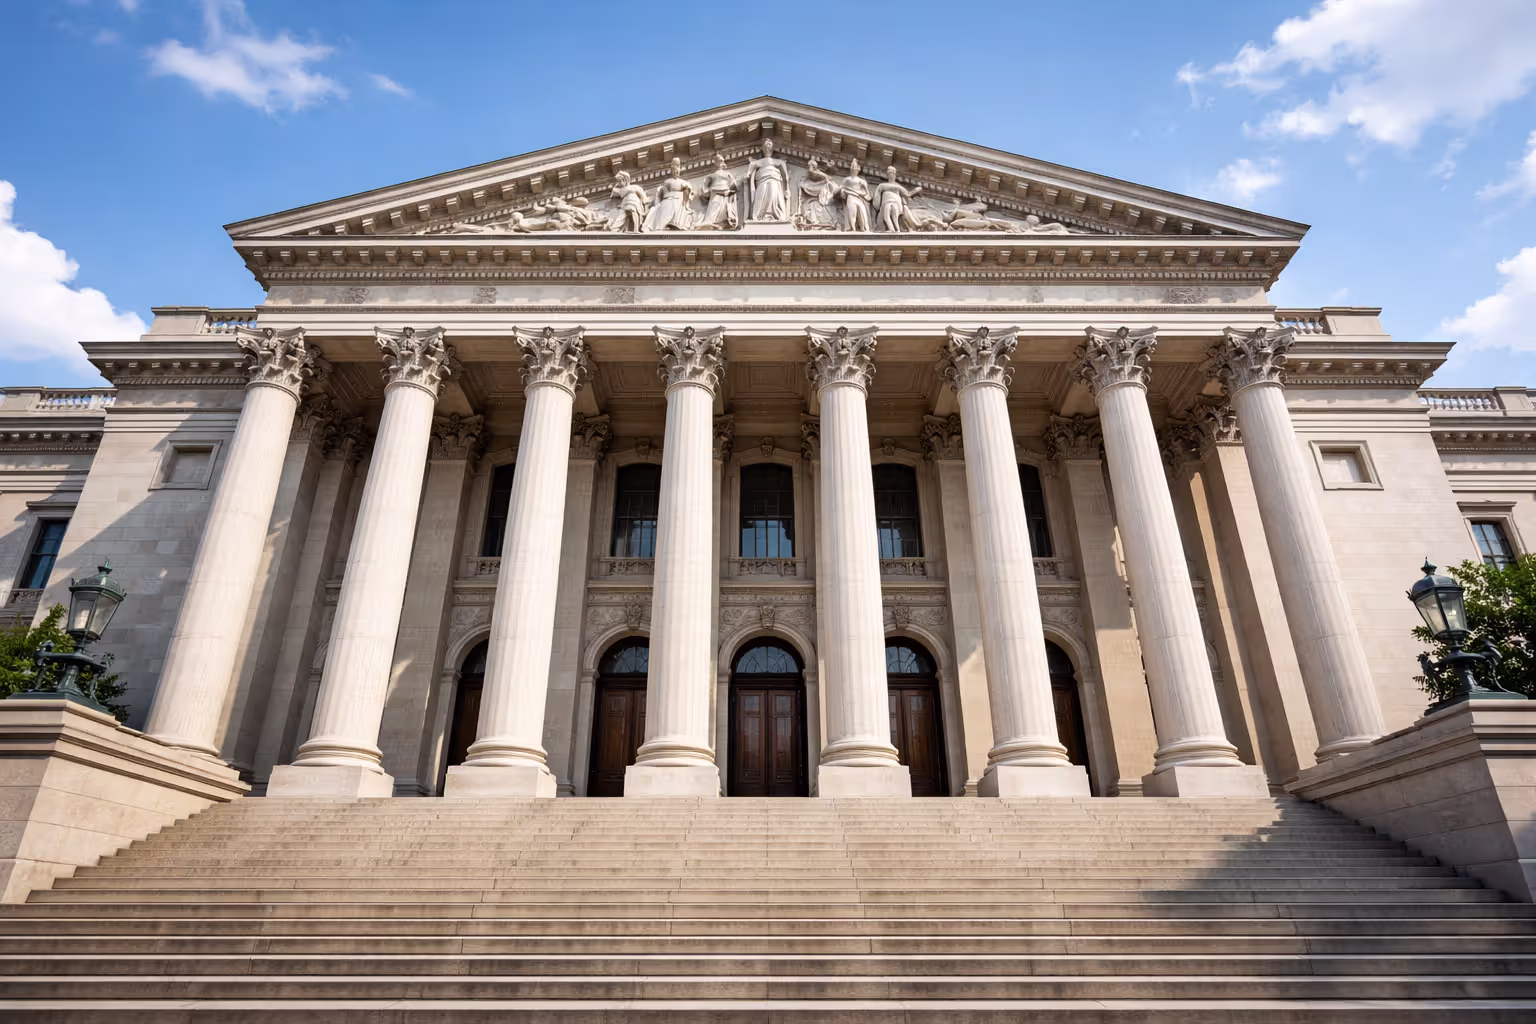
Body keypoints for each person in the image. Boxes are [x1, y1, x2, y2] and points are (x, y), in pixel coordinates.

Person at [644, 158, 695, 231]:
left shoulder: (684, 182)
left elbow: (690, 194)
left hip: (678, 202)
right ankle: (663, 226)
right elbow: (661, 193)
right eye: (674, 169)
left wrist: (688, 188)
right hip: (668, 201)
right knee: (665, 213)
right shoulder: (667, 182)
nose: (676, 172)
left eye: (678, 169)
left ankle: (674, 224)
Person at [747, 139, 789, 221]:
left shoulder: (780, 162)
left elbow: (786, 177)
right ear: (762, 148)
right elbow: (749, 173)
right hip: (761, 180)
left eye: (770, 144)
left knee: (772, 192)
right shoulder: (755, 163)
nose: (768, 145)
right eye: (766, 144)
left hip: (774, 179)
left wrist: (787, 189)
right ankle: (760, 215)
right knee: (761, 195)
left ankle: (771, 214)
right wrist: (748, 175)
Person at [698, 154, 739, 230]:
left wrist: (733, 189)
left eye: (721, 161)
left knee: (725, 208)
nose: (720, 163)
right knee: (714, 206)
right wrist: (708, 191)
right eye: (718, 161)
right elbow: (704, 188)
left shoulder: (727, 173)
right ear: (715, 163)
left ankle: (724, 222)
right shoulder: (711, 175)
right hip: (715, 192)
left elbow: (733, 184)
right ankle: (711, 222)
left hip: (725, 192)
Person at [798, 158, 838, 229]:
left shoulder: (817, 173)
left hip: (820, 187)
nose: (809, 168)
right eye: (809, 166)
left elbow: (827, 178)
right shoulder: (811, 175)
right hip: (814, 187)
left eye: (810, 166)